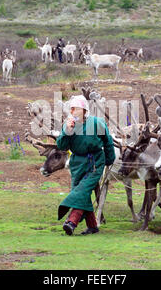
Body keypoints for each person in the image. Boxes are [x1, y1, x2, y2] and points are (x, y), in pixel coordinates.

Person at [57, 95, 115, 235]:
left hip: (95, 162)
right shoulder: (69, 125)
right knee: (82, 192)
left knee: (82, 190)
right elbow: (62, 145)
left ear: (84, 110)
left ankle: (72, 221)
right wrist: (67, 132)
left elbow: (108, 142)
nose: (73, 112)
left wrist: (109, 159)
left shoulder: (97, 123)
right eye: (71, 109)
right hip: (77, 163)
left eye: (75, 109)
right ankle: (93, 226)